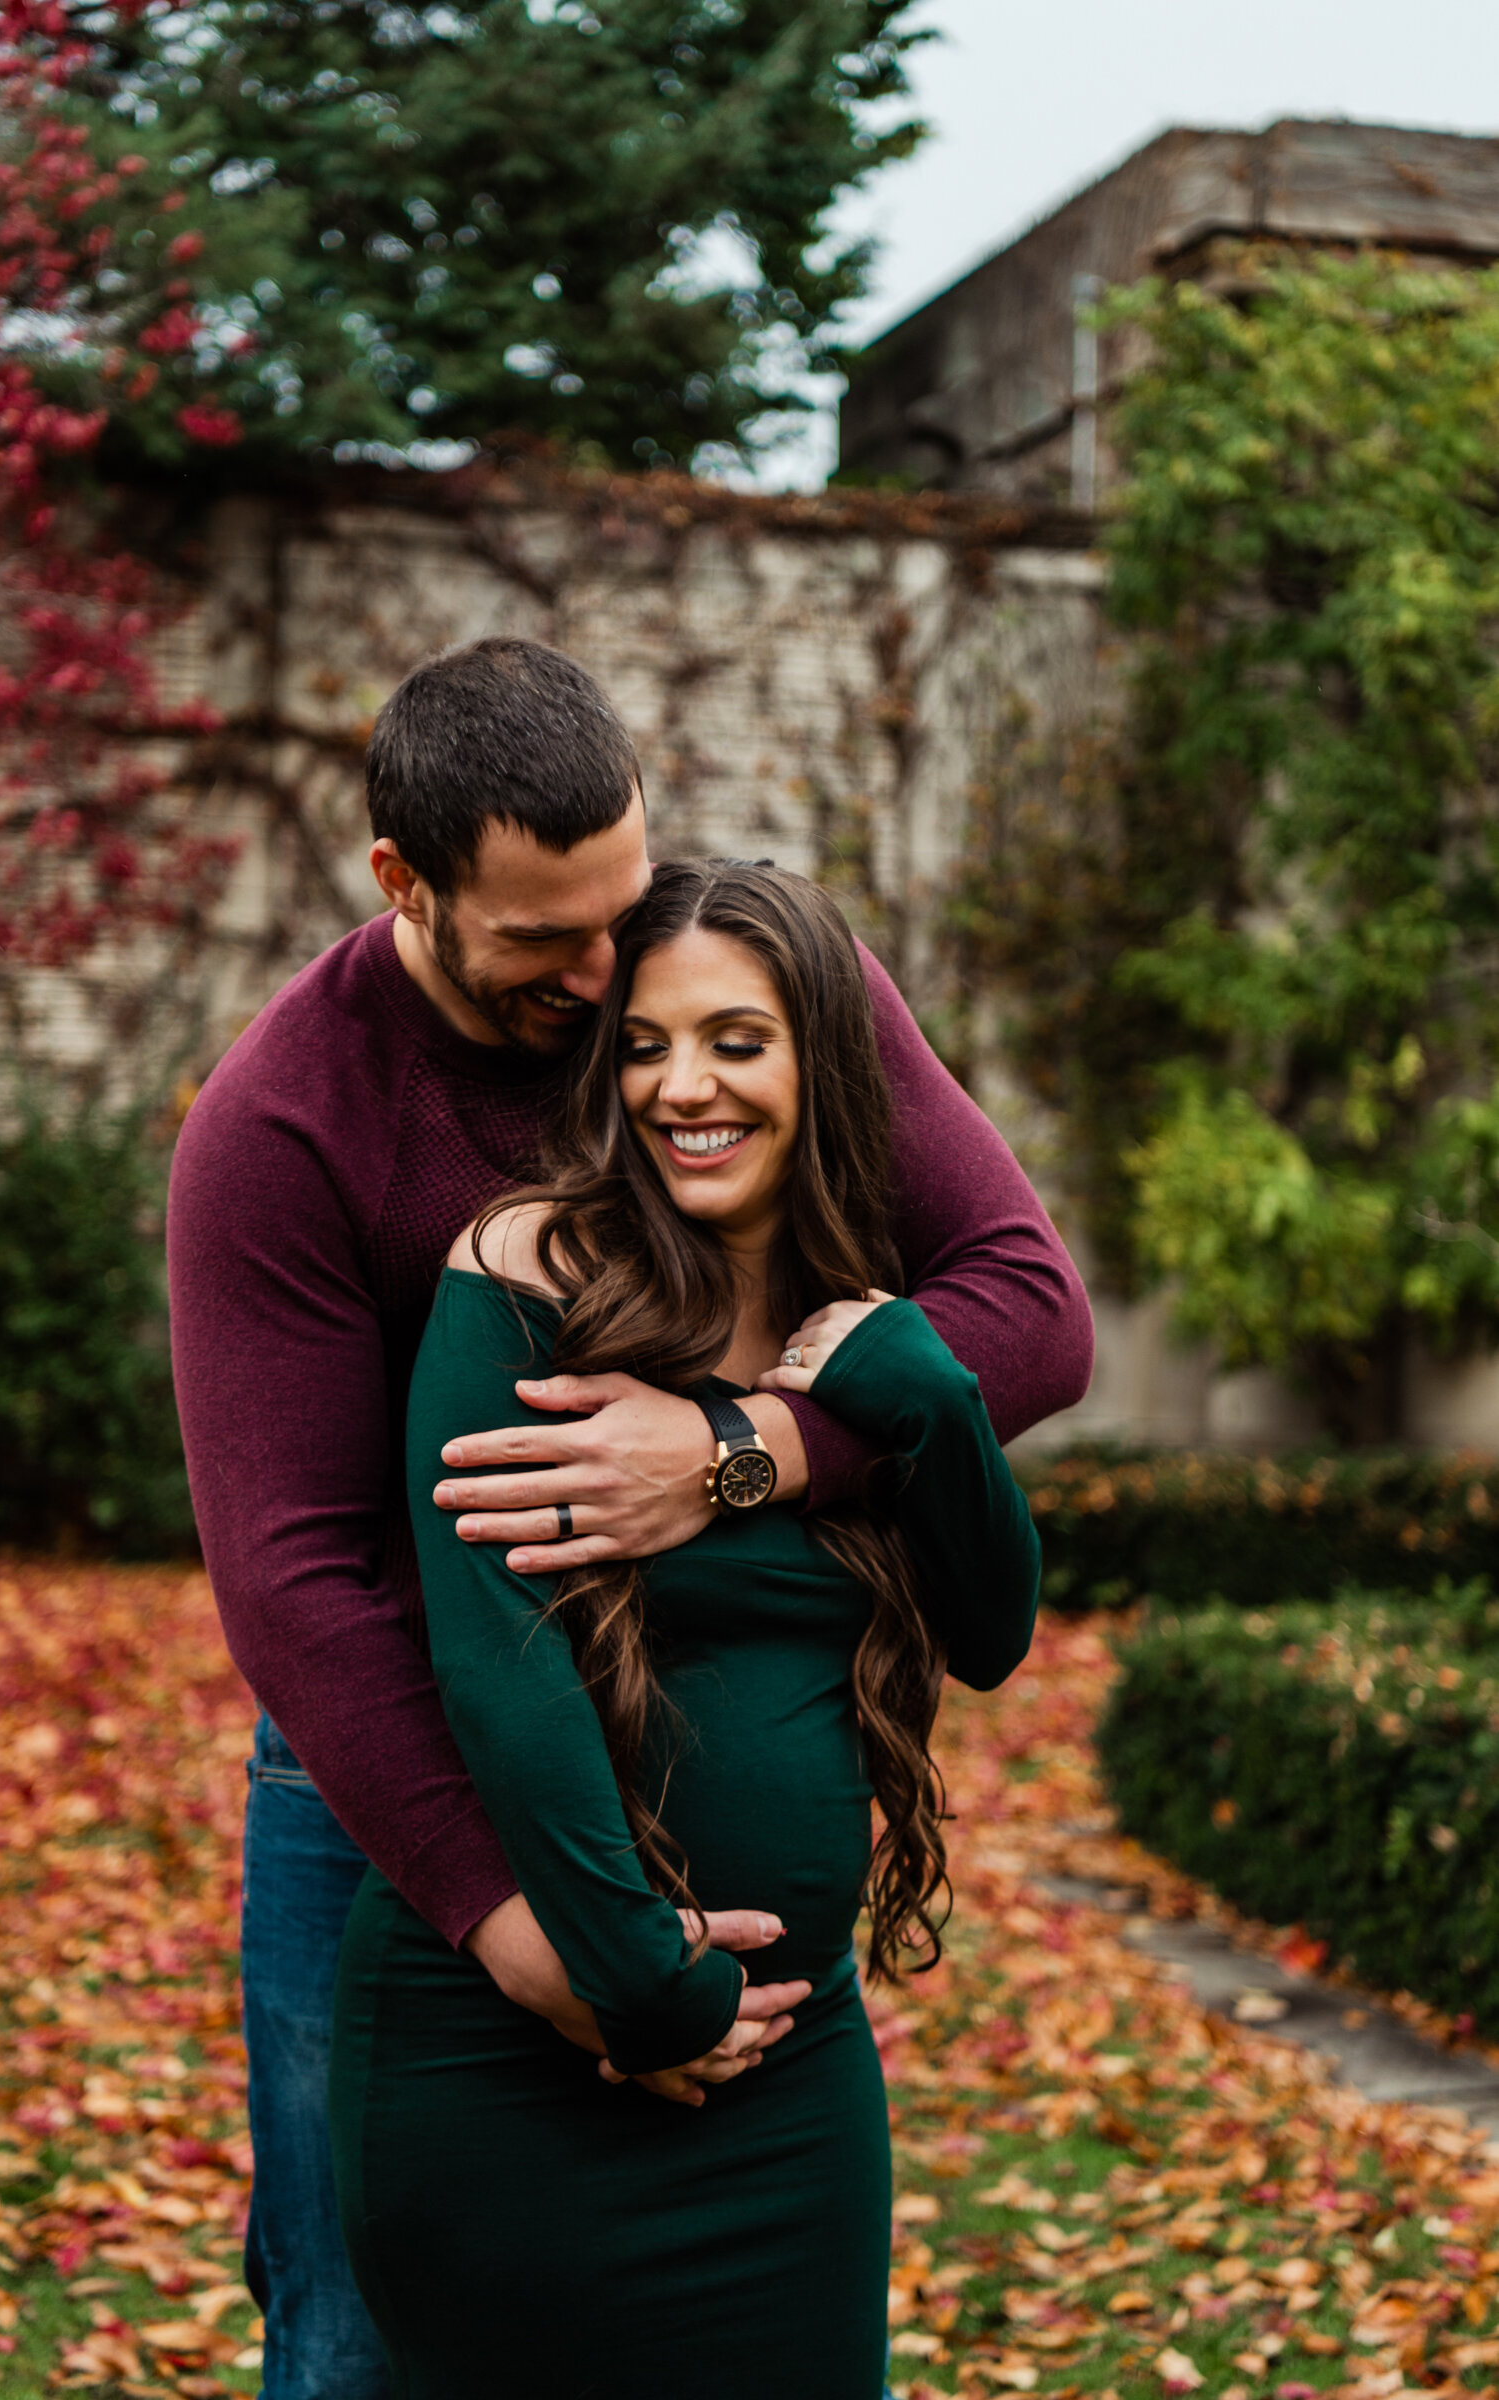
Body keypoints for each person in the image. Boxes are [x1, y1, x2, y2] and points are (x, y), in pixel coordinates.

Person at [167, 639, 1092, 2400]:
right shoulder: (283, 1125)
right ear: (404, 887)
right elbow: (295, 1581)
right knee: (356, 2344)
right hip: (394, 1790)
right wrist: (514, 1924)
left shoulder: (714, 980)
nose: (605, 987)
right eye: (542, 942)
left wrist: (743, 1449)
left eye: (619, 908)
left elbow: (1024, 1306)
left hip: (727, 1796)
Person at [328, 859, 1043, 2396]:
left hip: (793, 2070)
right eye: (644, 1045)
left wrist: (918, 1391)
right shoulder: (523, 1275)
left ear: (817, 1061)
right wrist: (648, 1988)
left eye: (736, 1039)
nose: (682, 1086)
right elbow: (496, 1666)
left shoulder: (856, 1321)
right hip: (515, 2059)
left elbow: (989, 1630)